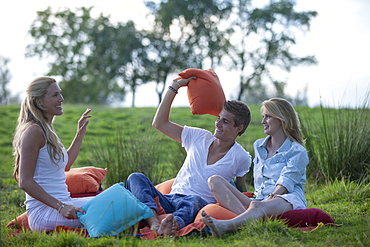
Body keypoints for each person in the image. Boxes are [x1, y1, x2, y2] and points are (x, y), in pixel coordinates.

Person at [126, 76, 252, 235]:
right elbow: (159, 123)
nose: (217, 124)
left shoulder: (242, 157)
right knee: (135, 177)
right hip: (170, 199)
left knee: (193, 201)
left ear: (239, 128)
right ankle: (155, 223)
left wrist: (253, 207)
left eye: (225, 121)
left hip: (196, 203)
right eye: (219, 118)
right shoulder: (199, 137)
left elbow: (240, 189)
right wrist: (174, 88)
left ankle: (173, 224)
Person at [201, 98, 309, 238]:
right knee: (214, 181)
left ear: (282, 119)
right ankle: (249, 220)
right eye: (263, 117)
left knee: (257, 206)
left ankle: (225, 226)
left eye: (268, 116)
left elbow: (286, 182)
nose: (263, 121)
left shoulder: (297, 151)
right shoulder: (259, 146)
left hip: (286, 199)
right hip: (260, 200)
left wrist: (269, 199)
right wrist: (254, 199)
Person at [12, 77, 94, 232]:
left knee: (116, 199)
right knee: (116, 206)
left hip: (64, 203)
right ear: (39, 102)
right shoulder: (33, 131)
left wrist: (80, 133)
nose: (61, 99)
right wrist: (61, 207)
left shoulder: (47, 130)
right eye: (55, 95)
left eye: (60, 94)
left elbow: (66, 164)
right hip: (45, 213)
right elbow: (25, 181)